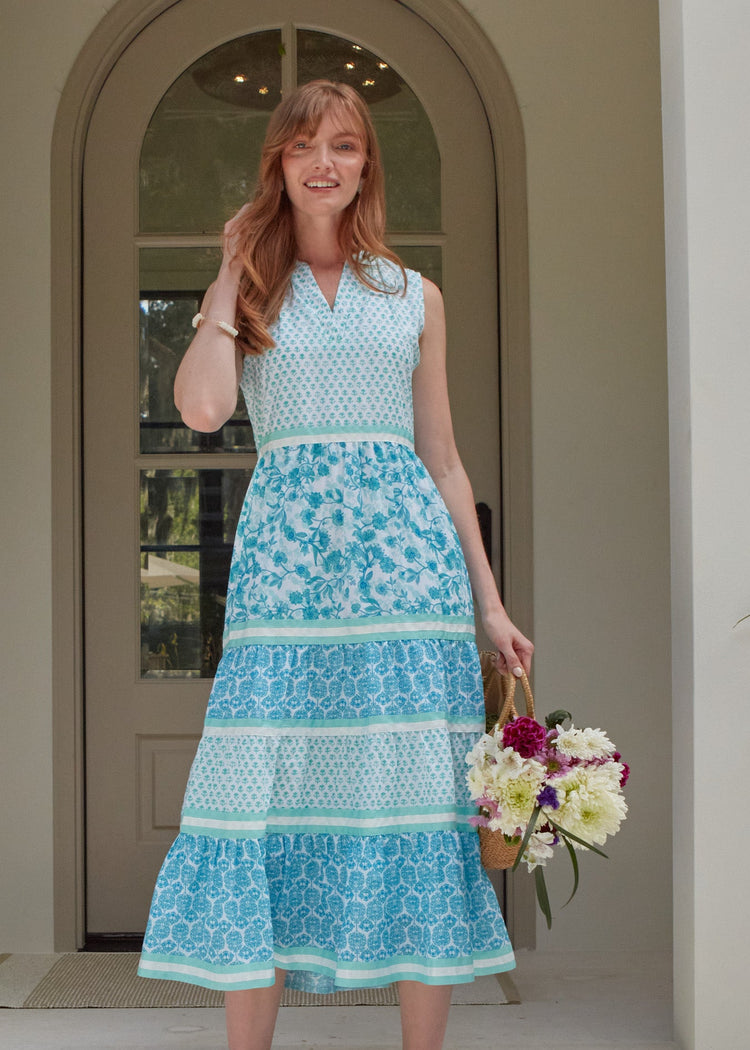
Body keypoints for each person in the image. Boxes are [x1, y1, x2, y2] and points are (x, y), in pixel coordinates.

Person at [137, 79, 533, 1050]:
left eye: (346, 147)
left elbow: (441, 457)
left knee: (416, 799)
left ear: (366, 167)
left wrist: (487, 603)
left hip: (408, 582)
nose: (326, 163)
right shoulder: (252, 292)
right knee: (256, 794)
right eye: (306, 146)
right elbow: (196, 409)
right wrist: (229, 273)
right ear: (278, 163)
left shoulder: (413, 296)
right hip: (286, 580)